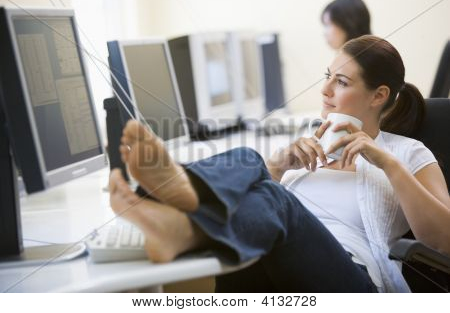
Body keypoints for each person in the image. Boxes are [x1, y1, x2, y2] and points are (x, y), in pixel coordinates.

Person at [109, 35, 450, 292]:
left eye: (341, 82)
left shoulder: (407, 153)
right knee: (252, 160)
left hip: (352, 278)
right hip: (275, 263)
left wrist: (387, 164)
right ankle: (179, 220)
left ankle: (183, 210)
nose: (325, 90)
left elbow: (443, 241)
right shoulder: (312, 141)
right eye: (328, 76)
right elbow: (260, 210)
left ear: (379, 96)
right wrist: (278, 166)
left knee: (275, 200)